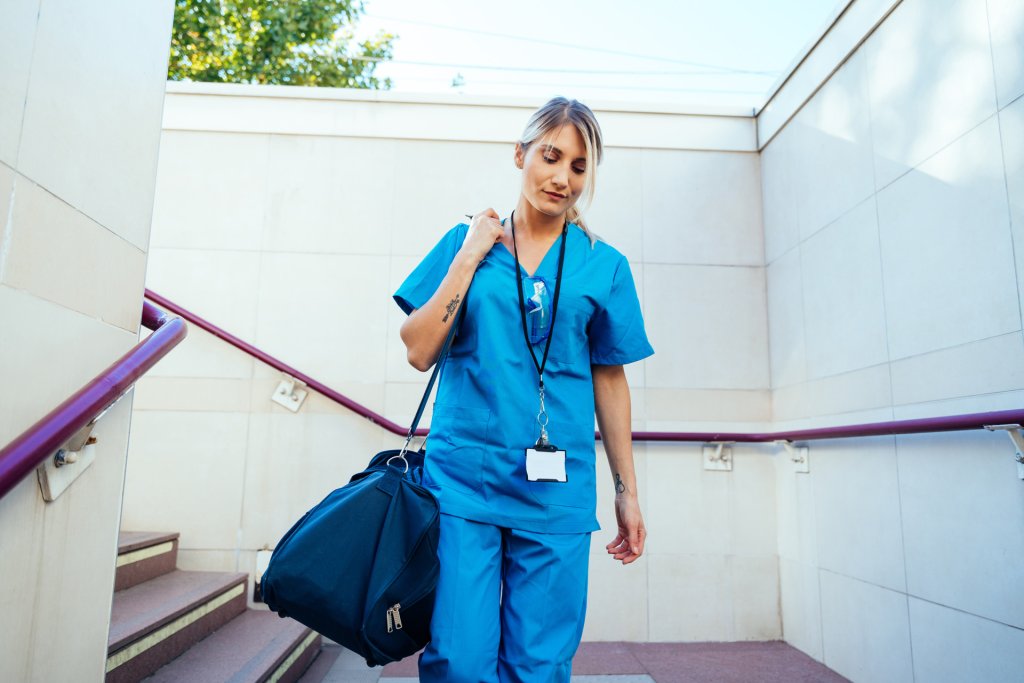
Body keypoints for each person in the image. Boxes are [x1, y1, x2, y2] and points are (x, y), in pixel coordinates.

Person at [393, 96, 654, 683]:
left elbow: (610, 379)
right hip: (464, 484)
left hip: (555, 492)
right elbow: (417, 349)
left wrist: (626, 491)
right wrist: (468, 258)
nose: (562, 178)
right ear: (521, 155)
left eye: (579, 167)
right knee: (458, 662)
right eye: (551, 156)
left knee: (538, 667)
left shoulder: (602, 265)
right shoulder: (466, 244)